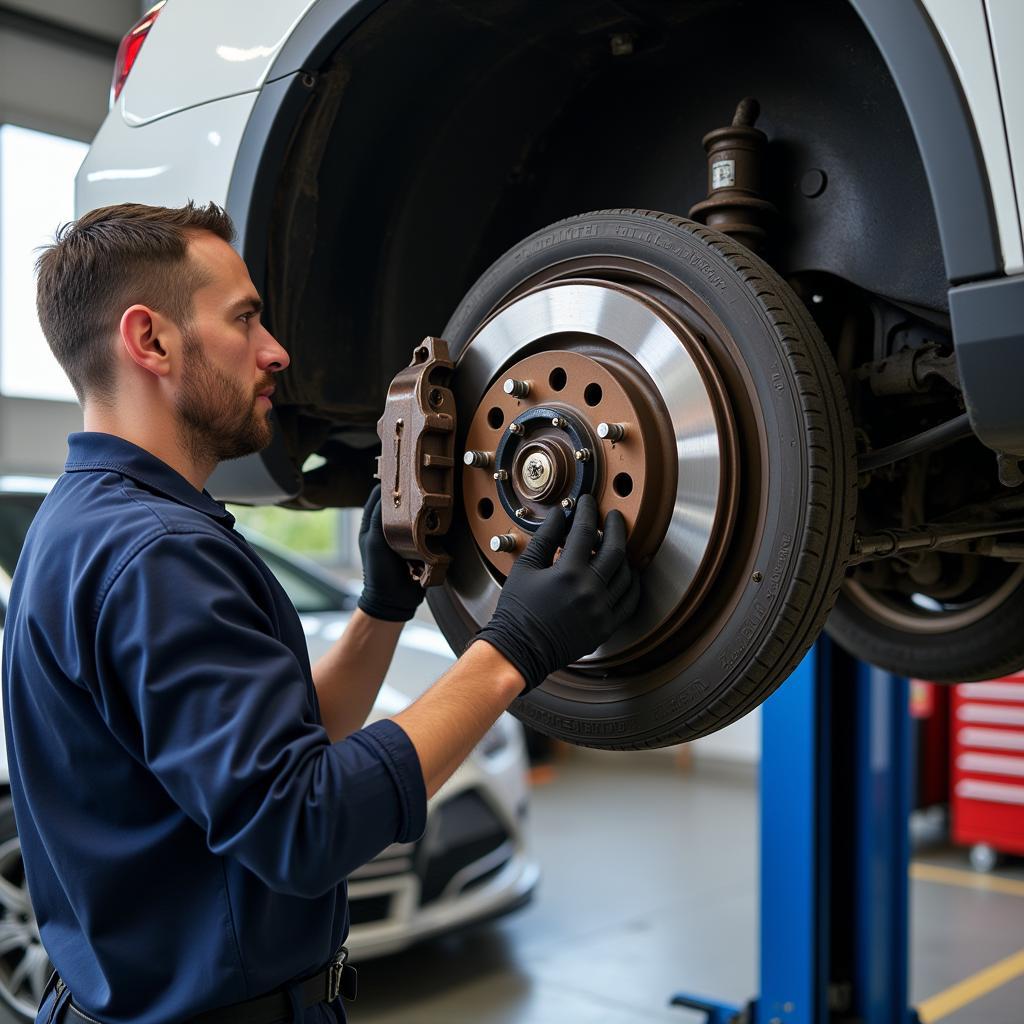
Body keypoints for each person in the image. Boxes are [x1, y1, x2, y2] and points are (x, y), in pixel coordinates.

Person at [1, 202, 640, 1024]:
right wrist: (513, 648)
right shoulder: (155, 553)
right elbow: (305, 825)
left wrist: (381, 607)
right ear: (149, 340)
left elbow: (284, 757)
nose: (277, 352)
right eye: (245, 319)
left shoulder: (84, 521)